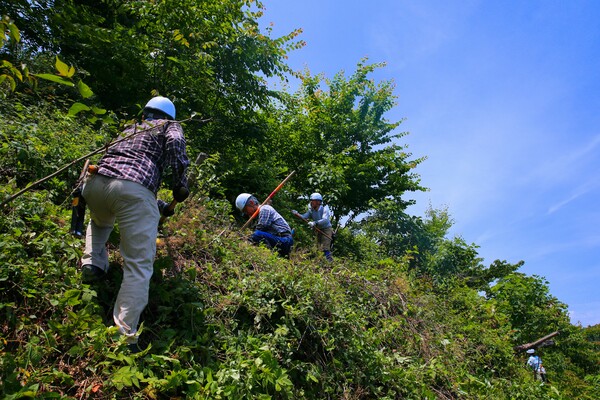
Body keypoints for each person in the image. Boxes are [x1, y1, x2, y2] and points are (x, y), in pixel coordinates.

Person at [80, 96, 190, 352]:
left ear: (146, 112)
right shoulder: (168, 126)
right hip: (131, 192)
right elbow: (173, 144)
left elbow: (127, 178)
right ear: (169, 115)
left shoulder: (131, 127)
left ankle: (93, 263)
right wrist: (180, 181)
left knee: (99, 220)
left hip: (95, 184)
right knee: (139, 265)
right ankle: (124, 335)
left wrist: (159, 205)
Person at [236, 193, 293, 258]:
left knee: (257, 235)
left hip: (285, 240)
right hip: (277, 239)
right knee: (256, 235)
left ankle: (269, 254)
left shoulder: (265, 209)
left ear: (251, 203)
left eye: (245, 210)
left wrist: (247, 237)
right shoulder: (259, 216)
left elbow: (261, 228)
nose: (246, 213)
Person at [293, 192, 334, 261]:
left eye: (313, 201)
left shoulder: (324, 209)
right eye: (311, 201)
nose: (311, 203)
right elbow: (304, 217)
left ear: (318, 202)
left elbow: (325, 220)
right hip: (318, 229)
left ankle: (330, 261)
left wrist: (315, 223)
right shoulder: (311, 210)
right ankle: (320, 262)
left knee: (325, 247)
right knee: (318, 247)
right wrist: (297, 214)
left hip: (326, 229)